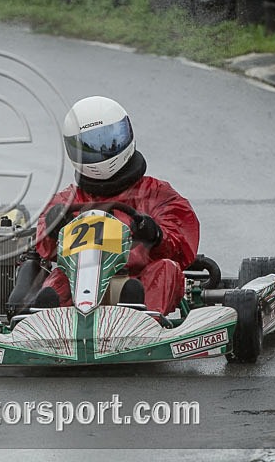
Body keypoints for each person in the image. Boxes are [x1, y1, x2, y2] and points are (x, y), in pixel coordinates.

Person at [34, 96, 200, 315]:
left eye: (108, 139)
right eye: (90, 145)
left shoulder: (156, 193)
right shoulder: (67, 201)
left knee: (165, 269)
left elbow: (182, 244)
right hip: (81, 282)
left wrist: (156, 235)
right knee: (58, 278)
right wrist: (53, 227)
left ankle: (143, 323)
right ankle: (50, 325)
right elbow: (44, 248)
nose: (101, 150)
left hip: (136, 280)